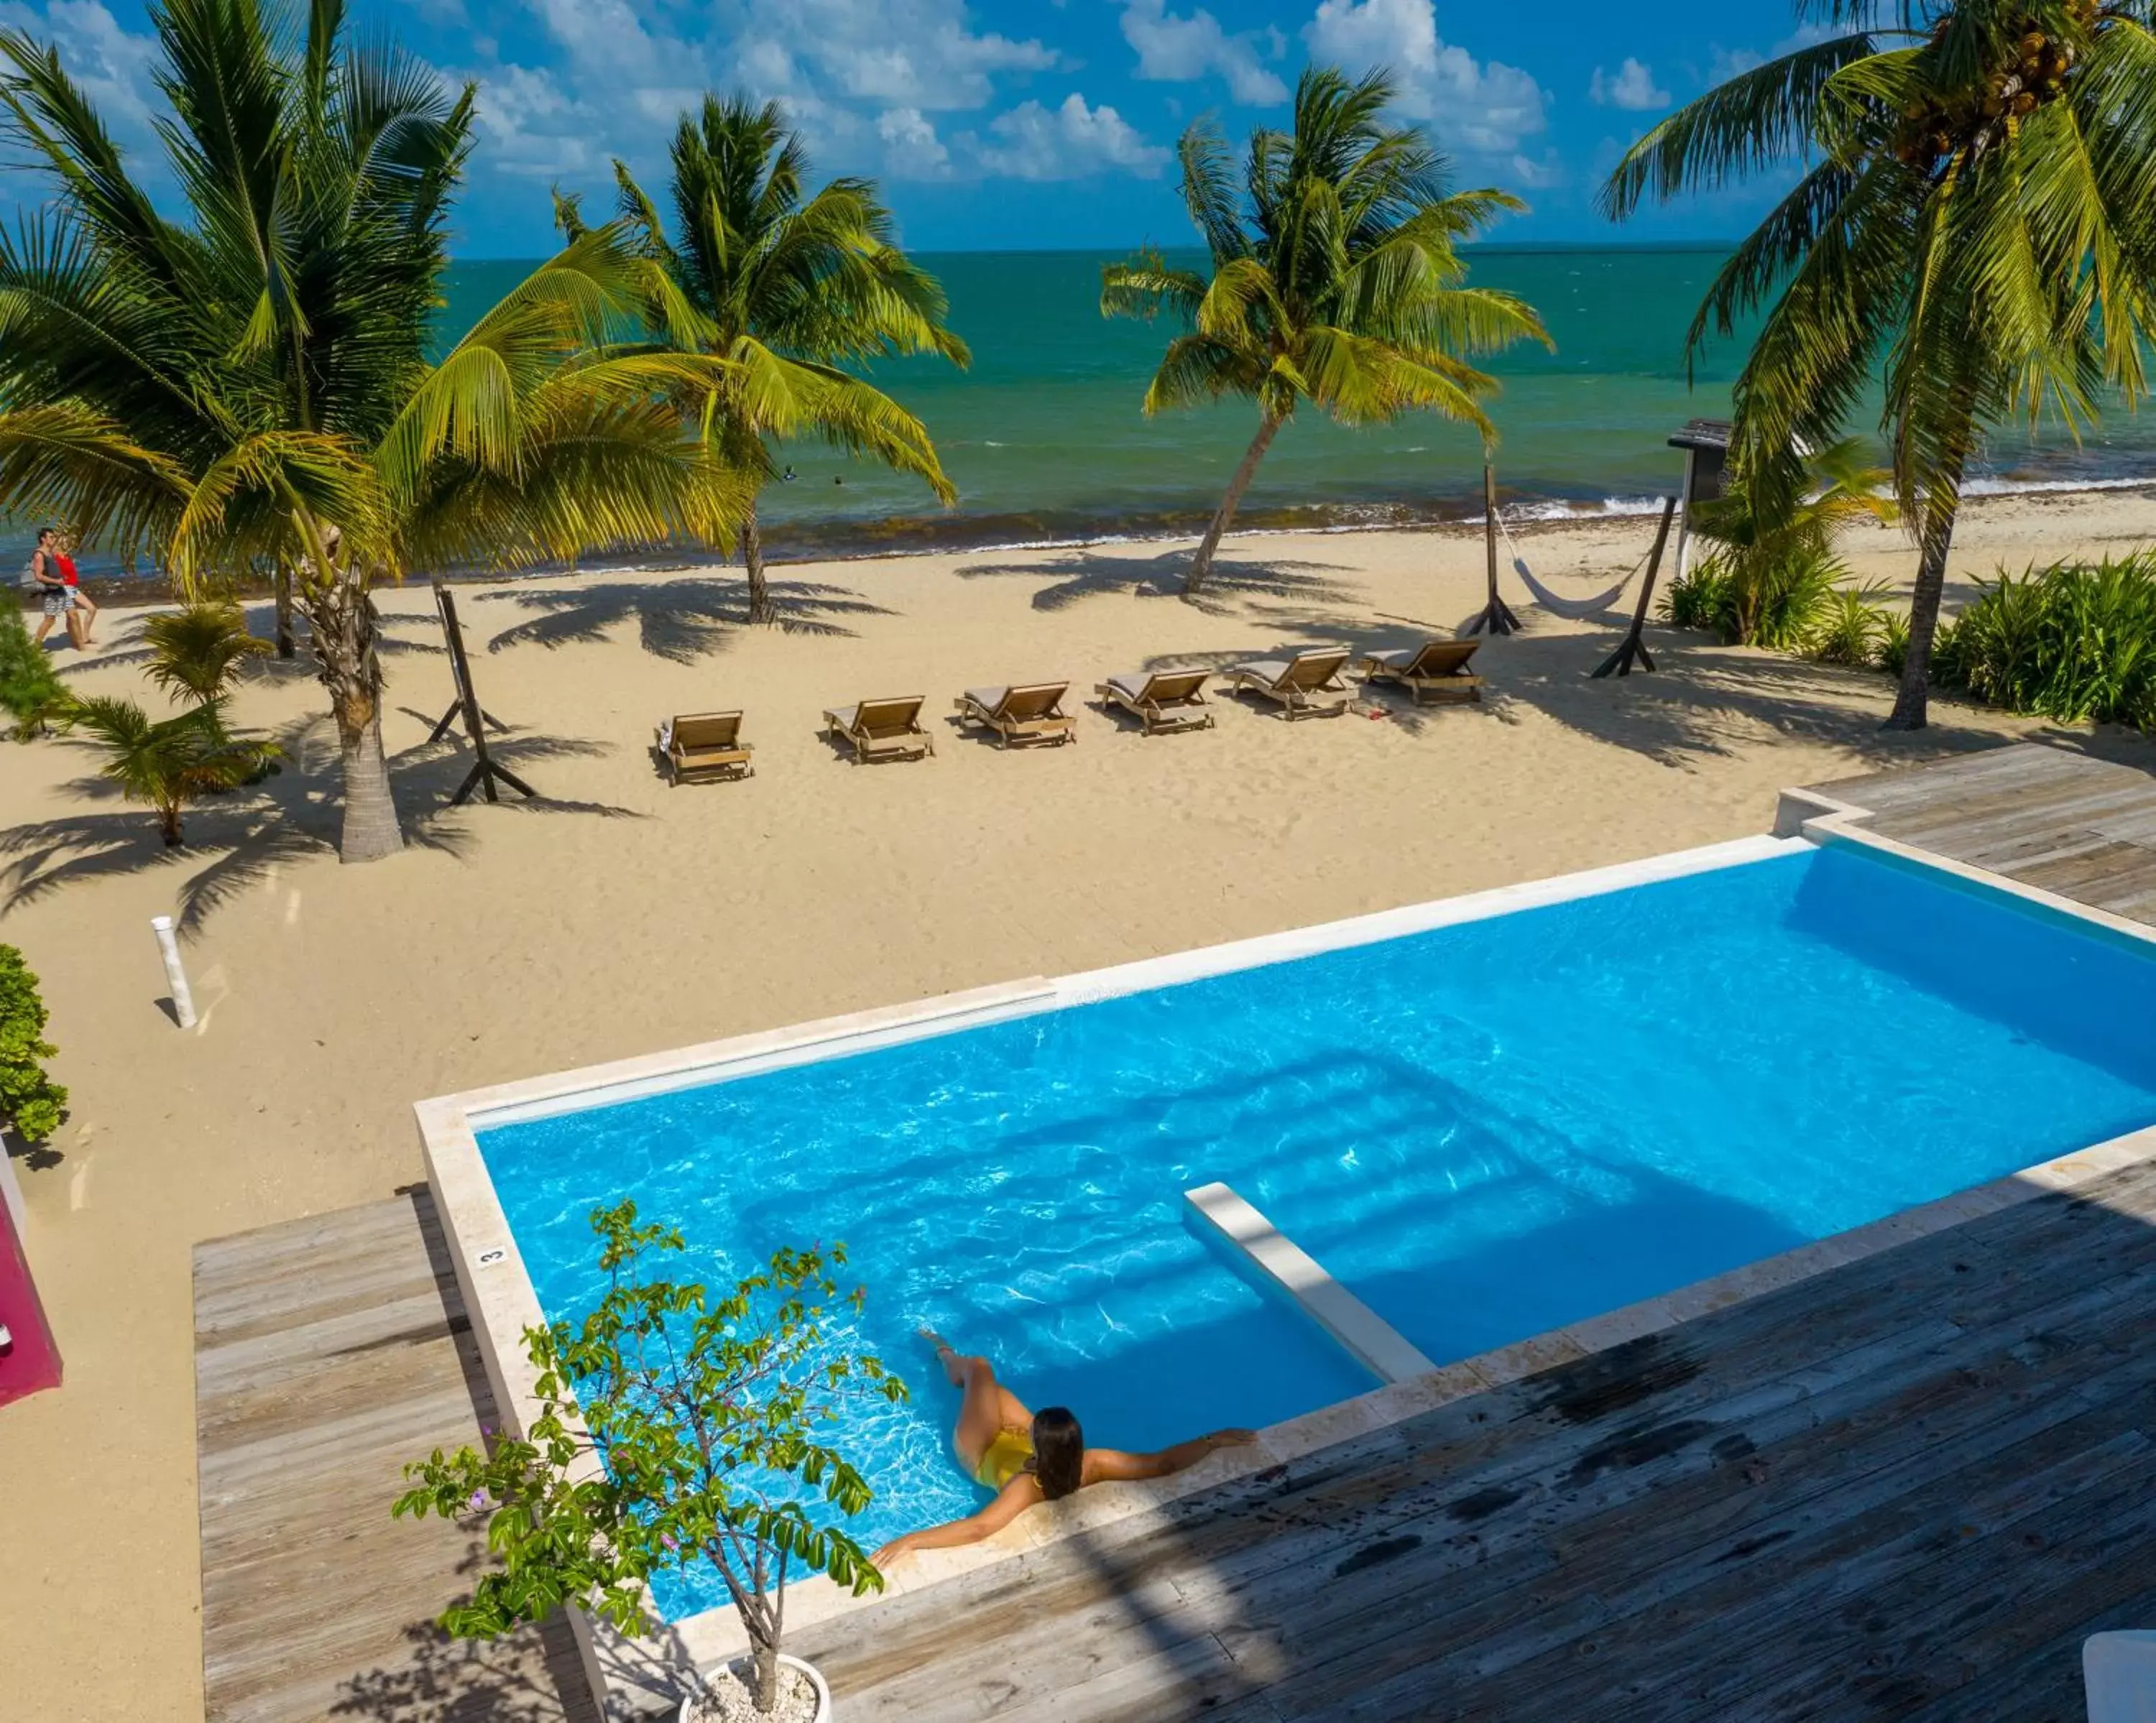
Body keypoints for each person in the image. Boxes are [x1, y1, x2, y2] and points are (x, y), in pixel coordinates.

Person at [870, 1330, 1256, 1567]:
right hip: (1018, 1445)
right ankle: (967, 1378)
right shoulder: (1094, 1462)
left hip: (982, 1451)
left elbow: (979, 1529)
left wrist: (910, 1539)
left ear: (1037, 1442)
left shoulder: (1026, 1485)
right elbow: (1164, 1463)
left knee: (982, 1370)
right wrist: (1211, 1440)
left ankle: (946, 1356)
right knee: (998, 1395)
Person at [27, 527, 83, 650]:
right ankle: (35, 647)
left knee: (74, 614)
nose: (54, 539)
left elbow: (63, 543)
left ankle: (81, 646)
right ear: (43, 539)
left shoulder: (51, 551)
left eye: (54, 537)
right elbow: (39, 576)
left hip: (61, 590)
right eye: (51, 537)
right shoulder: (39, 554)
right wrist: (56, 581)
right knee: (50, 620)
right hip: (52, 592)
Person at [54, 530, 93, 644]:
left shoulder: (67, 556)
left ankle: (83, 637)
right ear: (59, 543)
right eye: (65, 542)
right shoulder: (56, 558)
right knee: (79, 613)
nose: (68, 544)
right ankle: (79, 640)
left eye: (68, 542)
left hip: (73, 588)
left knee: (88, 611)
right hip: (66, 589)